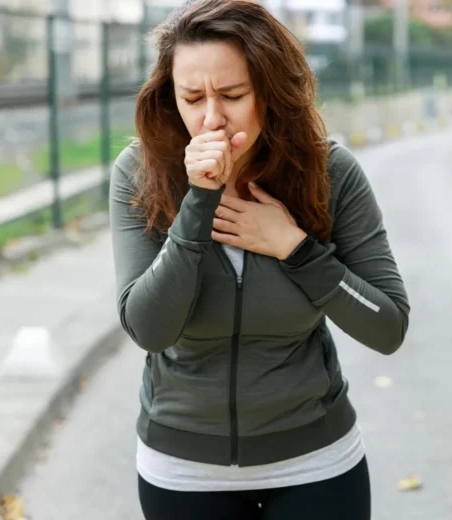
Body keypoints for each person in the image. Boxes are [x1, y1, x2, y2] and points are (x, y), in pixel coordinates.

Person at [108, 0, 410, 518]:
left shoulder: (330, 172)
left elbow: (388, 327)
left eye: (231, 95)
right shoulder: (141, 172)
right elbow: (149, 328)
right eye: (191, 97)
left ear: (271, 92)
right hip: (183, 470)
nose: (210, 117)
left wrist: (296, 249)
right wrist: (198, 201)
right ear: (168, 97)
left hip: (317, 463)